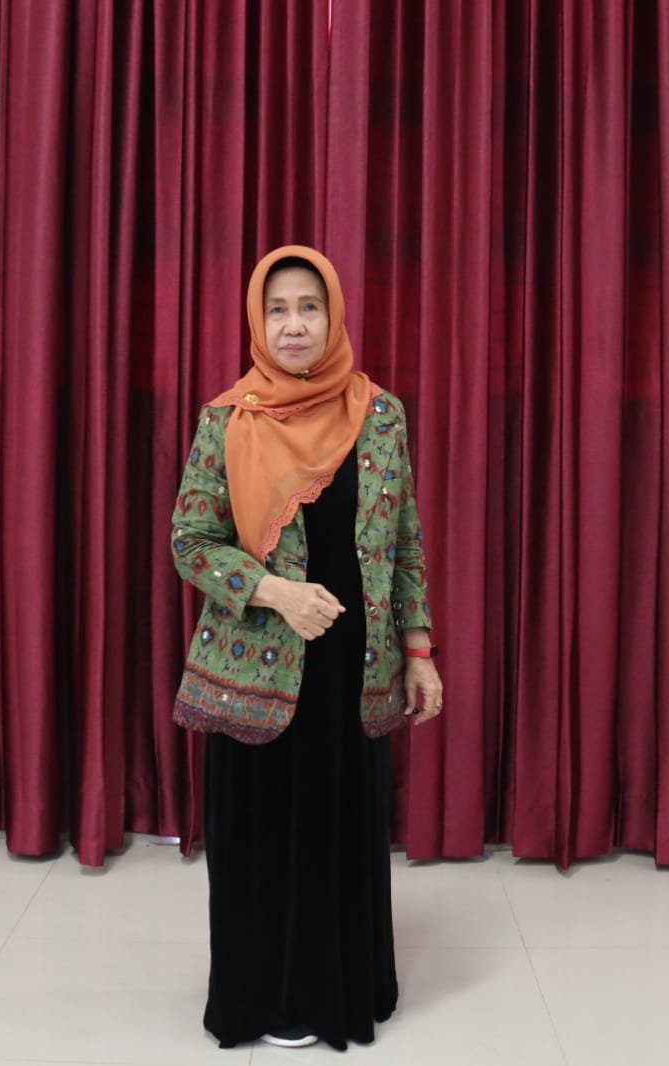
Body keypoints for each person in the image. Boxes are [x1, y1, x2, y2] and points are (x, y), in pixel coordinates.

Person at [170, 245, 443, 1050]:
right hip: (257, 663)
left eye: (309, 307)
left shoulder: (379, 413)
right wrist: (274, 592)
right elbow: (190, 542)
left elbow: (403, 539)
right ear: (258, 321)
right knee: (260, 835)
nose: (294, 325)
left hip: (352, 663)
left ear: (334, 317)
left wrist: (418, 648)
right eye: (278, 309)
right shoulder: (228, 419)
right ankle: (264, 1002)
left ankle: (340, 991)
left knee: (337, 828)